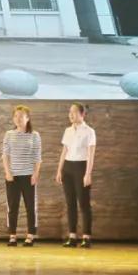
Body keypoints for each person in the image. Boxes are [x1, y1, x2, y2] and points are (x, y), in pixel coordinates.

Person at [56, 102, 96, 248]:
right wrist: (59, 170)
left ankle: (86, 237)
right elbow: (64, 151)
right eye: (70, 112)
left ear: (82, 114)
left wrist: (88, 174)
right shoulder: (68, 130)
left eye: (74, 112)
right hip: (68, 167)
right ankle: (72, 236)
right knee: (70, 203)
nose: (71, 115)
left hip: (81, 167)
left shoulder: (89, 131)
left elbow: (91, 154)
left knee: (84, 203)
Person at [2, 105, 41, 247]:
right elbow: (5, 155)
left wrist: (35, 174)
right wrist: (8, 172)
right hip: (13, 176)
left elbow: (37, 157)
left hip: (29, 176)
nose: (18, 119)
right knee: (12, 207)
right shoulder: (9, 134)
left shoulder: (35, 135)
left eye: (21, 116)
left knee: (31, 206)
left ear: (27, 118)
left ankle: (30, 235)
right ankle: (12, 236)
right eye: (16, 116)